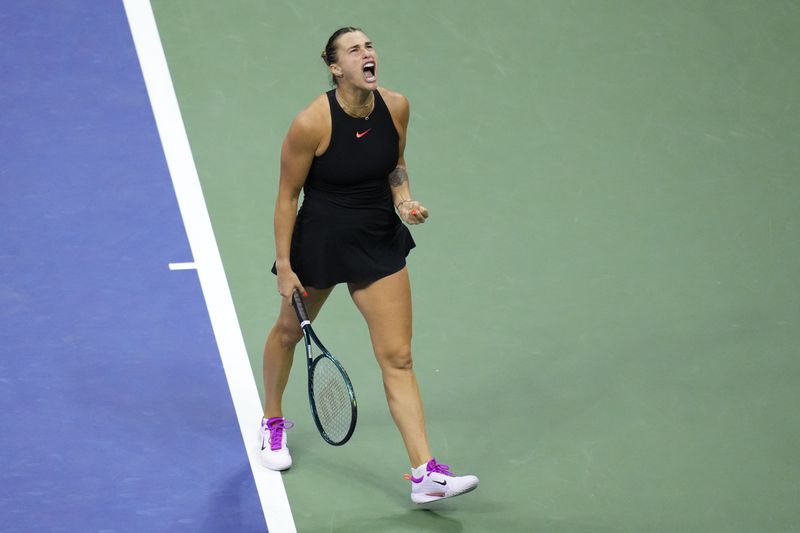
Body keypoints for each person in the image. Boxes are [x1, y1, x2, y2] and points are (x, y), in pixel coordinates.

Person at [258, 26, 478, 504]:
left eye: (370, 45)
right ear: (336, 68)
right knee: (289, 333)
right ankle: (271, 421)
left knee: (398, 358)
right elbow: (286, 196)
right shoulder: (311, 123)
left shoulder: (395, 106)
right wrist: (285, 266)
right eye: (354, 50)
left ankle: (425, 474)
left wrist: (405, 202)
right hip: (321, 243)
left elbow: (396, 165)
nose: (367, 53)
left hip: (378, 239)